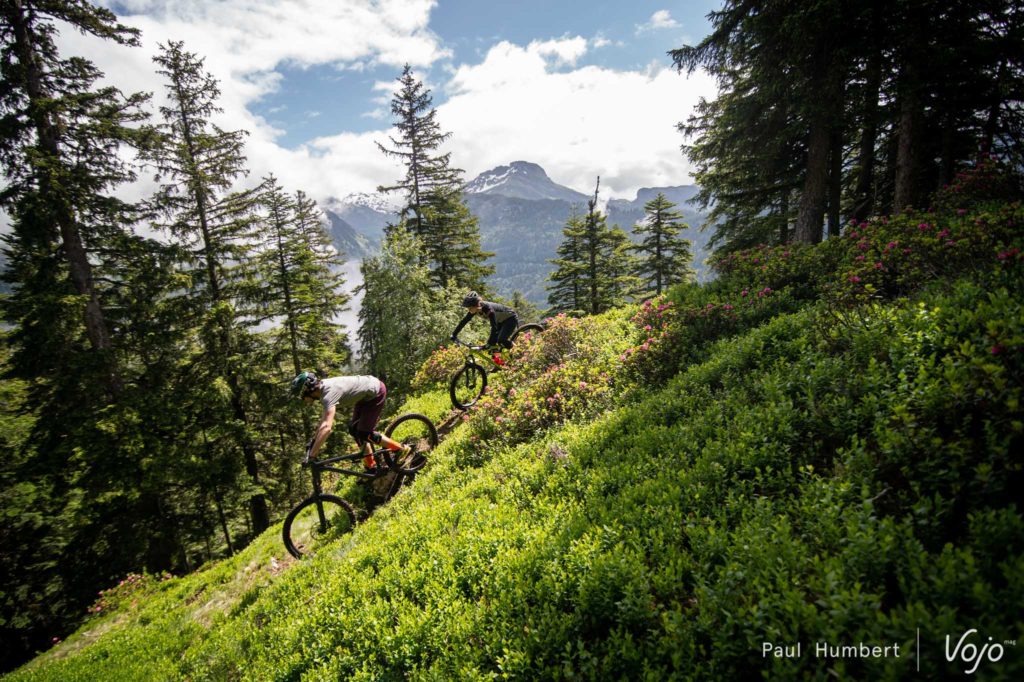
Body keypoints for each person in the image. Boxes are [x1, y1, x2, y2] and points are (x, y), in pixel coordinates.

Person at [291, 371, 407, 472]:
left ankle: (401, 449)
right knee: (354, 429)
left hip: (376, 392)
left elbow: (327, 427)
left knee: (364, 433)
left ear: (307, 391)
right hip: (364, 395)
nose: (303, 400)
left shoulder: (328, 394)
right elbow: (323, 422)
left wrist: (312, 455)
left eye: (302, 397)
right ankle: (371, 467)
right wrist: (313, 443)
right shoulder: (322, 390)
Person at [450, 291, 519, 363]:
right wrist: (454, 334)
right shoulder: (474, 310)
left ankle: (519, 350)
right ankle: (501, 364)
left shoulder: (488, 310)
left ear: (476, 305)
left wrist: (489, 343)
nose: (469, 310)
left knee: (501, 340)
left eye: (470, 307)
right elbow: (463, 322)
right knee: (492, 348)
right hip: (500, 321)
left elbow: (494, 327)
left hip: (510, 318)